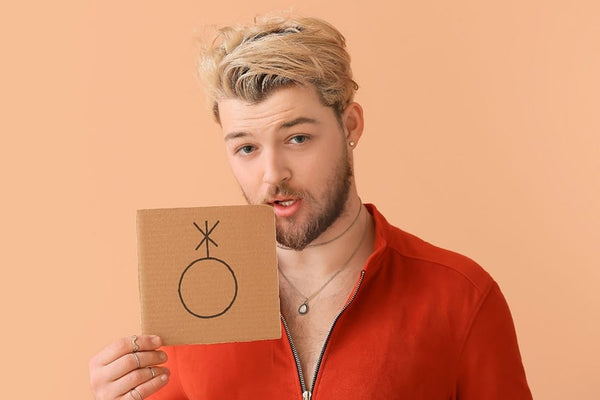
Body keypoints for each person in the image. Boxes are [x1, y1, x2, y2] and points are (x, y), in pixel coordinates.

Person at [89, 15, 532, 400]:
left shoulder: (461, 296)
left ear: (350, 125)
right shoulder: (193, 304)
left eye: (297, 138)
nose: (272, 174)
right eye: (246, 148)